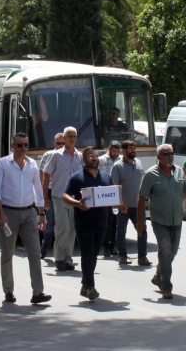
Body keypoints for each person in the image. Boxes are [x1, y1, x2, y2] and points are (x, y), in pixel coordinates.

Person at [0, 133, 52, 305]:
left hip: (28, 213)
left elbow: (38, 191)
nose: (23, 148)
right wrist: (0, 212)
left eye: (26, 145)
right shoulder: (2, 163)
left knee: (34, 252)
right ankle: (9, 291)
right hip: (8, 213)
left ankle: (38, 292)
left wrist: (41, 214)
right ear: (13, 146)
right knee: (7, 253)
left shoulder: (32, 164)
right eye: (20, 145)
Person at [63, 147, 126, 300]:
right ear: (84, 160)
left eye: (95, 156)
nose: (94, 158)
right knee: (87, 254)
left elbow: (112, 195)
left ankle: (85, 284)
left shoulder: (106, 177)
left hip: (102, 222)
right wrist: (78, 203)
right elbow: (65, 196)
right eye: (90, 156)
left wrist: (120, 204)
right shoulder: (76, 177)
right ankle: (91, 287)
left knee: (94, 255)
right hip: (83, 223)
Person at [139, 144, 186, 299]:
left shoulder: (179, 172)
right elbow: (141, 199)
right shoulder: (150, 174)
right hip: (159, 221)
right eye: (166, 154)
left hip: (176, 220)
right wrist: (141, 222)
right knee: (165, 251)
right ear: (158, 157)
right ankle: (166, 286)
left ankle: (158, 276)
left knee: (172, 252)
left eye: (171, 153)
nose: (170, 156)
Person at [42, 127, 84, 271]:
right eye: (69, 136)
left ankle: (68, 258)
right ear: (64, 138)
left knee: (72, 229)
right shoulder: (56, 156)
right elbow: (46, 175)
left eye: (74, 136)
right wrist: (44, 198)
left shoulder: (80, 156)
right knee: (62, 228)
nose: (72, 138)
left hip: (75, 199)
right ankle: (59, 258)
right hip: (59, 197)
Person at [112, 140, 150, 266]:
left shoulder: (138, 163)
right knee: (121, 231)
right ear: (124, 150)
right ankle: (122, 256)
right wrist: (120, 203)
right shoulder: (117, 166)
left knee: (142, 230)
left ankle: (142, 256)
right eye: (130, 148)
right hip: (124, 206)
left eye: (134, 148)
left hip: (138, 205)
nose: (133, 150)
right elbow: (115, 187)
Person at [39, 133, 65, 259]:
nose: (61, 145)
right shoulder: (48, 155)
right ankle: (44, 246)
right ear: (55, 144)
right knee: (49, 224)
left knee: (65, 224)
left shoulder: (71, 155)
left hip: (64, 192)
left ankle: (62, 251)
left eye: (63, 143)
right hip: (50, 191)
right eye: (59, 143)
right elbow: (42, 174)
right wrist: (42, 196)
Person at [99, 141, 121, 257]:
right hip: (105, 194)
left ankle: (114, 245)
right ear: (109, 149)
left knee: (116, 222)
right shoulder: (101, 160)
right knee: (107, 222)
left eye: (118, 152)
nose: (116, 154)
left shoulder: (121, 160)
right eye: (114, 151)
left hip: (118, 194)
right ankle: (106, 247)